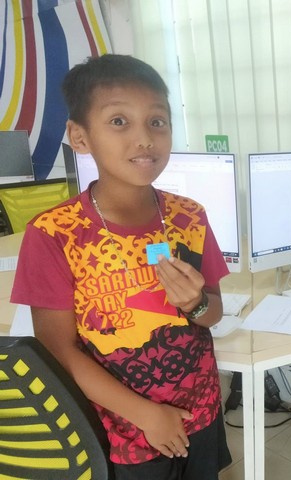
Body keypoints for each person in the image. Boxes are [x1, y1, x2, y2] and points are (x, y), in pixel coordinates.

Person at [11, 54, 232, 479]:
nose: (144, 139)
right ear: (80, 137)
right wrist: (147, 415)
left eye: (157, 122)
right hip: (123, 431)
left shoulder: (189, 216)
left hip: (198, 410)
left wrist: (197, 304)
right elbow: (57, 348)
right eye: (119, 121)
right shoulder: (54, 233)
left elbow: (214, 313)